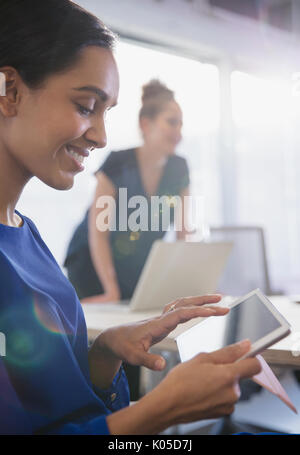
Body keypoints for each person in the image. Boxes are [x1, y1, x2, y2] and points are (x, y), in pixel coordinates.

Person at [0, 0, 261, 435]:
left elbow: (61, 405)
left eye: (106, 113)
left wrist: (104, 354)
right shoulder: (115, 170)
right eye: (86, 105)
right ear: (8, 90)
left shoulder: (26, 235)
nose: (100, 135)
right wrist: (162, 410)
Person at [64, 80, 190, 304]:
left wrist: (186, 284)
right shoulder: (117, 163)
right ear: (145, 124)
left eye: (181, 124)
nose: (178, 132)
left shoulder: (179, 168)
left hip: (135, 270)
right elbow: (99, 234)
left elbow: (183, 234)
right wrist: (111, 290)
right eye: (172, 122)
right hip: (93, 269)